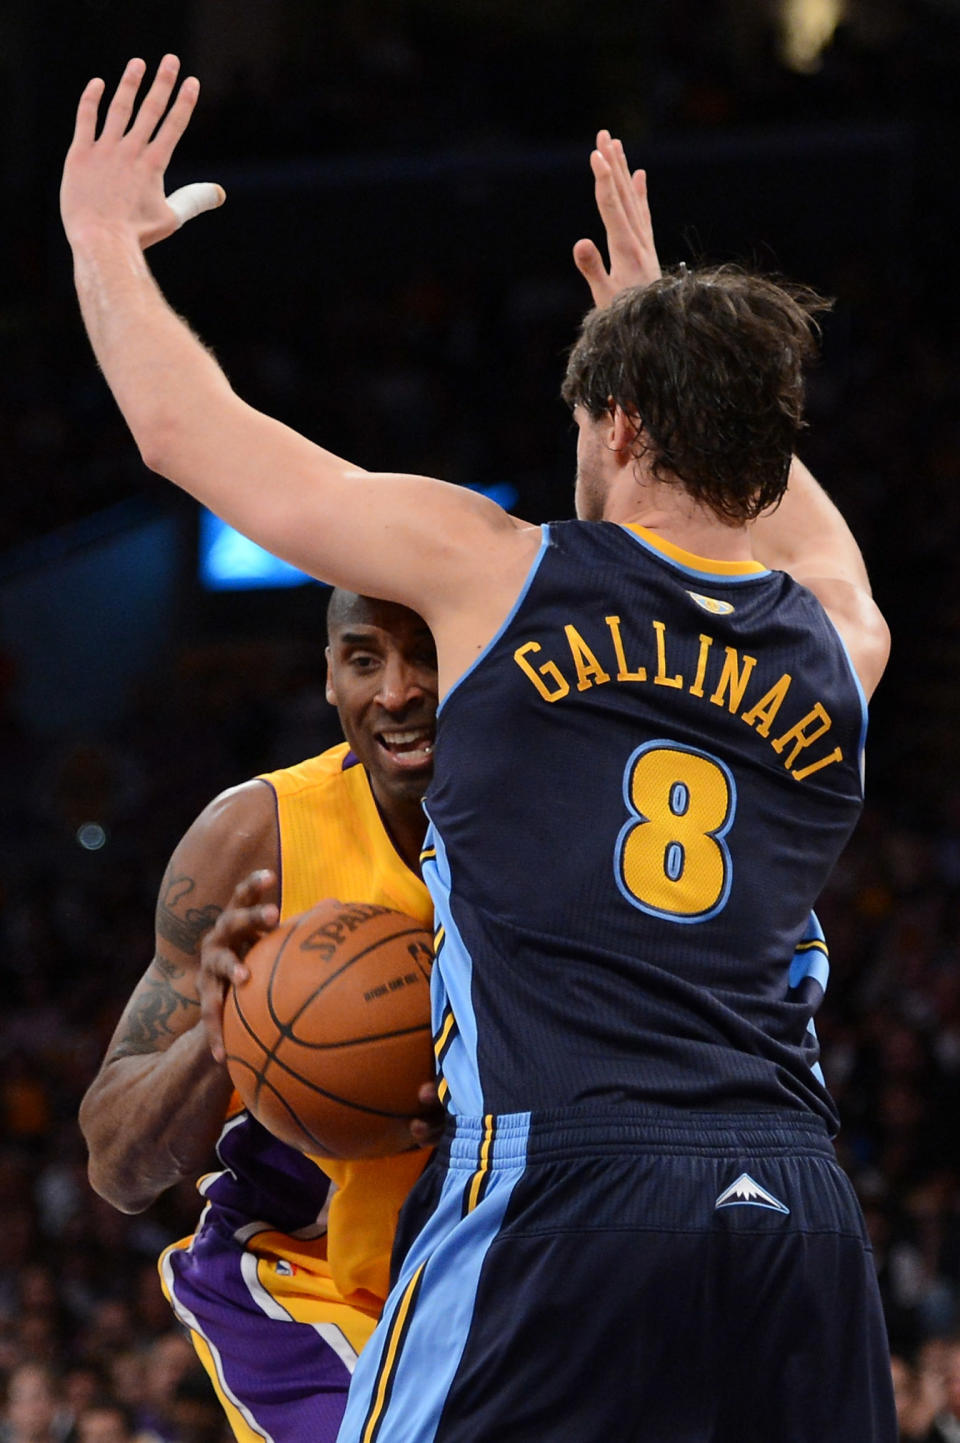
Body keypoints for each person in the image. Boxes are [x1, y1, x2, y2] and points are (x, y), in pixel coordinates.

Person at [61, 57, 895, 1442]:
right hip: (795, 1202)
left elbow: (182, 430)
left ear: (619, 422)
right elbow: (815, 542)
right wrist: (680, 334)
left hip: (565, 1186)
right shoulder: (834, 647)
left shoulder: (504, 574)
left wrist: (100, 239)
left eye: (590, 414)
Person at [77, 589, 438, 1442]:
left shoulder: (558, 819)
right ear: (326, 678)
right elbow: (117, 1167)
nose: (395, 690)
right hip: (310, 1281)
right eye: (362, 658)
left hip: (493, 1264)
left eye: (427, 651)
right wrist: (223, 1026)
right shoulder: (255, 837)